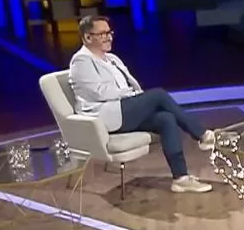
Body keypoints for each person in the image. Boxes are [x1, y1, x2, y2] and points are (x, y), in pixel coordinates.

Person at [69, 15, 215, 193]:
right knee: (158, 95)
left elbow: (130, 85)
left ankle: (181, 178)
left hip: (122, 109)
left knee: (166, 119)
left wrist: (135, 96)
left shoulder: (112, 58)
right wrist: (132, 95)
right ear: (87, 37)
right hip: (105, 115)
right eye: (102, 34)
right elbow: (98, 92)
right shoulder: (81, 61)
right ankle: (202, 134)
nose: (108, 37)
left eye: (109, 33)